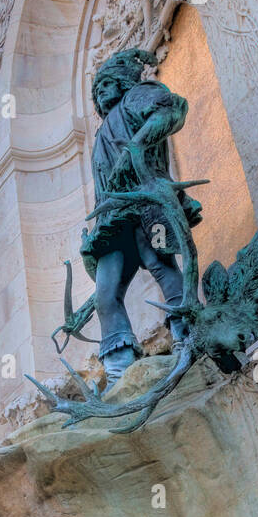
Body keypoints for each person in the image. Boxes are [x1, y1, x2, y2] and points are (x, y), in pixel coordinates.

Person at [84, 47, 202, 383]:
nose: (101, 91)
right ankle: (119, 368)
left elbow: (172, 110)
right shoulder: (102, 132)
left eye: (106, 83)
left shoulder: (138, 97)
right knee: (105, 294)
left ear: (122, 81)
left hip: (149, 204)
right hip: (113, 221)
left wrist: (135, 146)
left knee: (161, 264)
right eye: (97, 89)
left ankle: (188, 335)